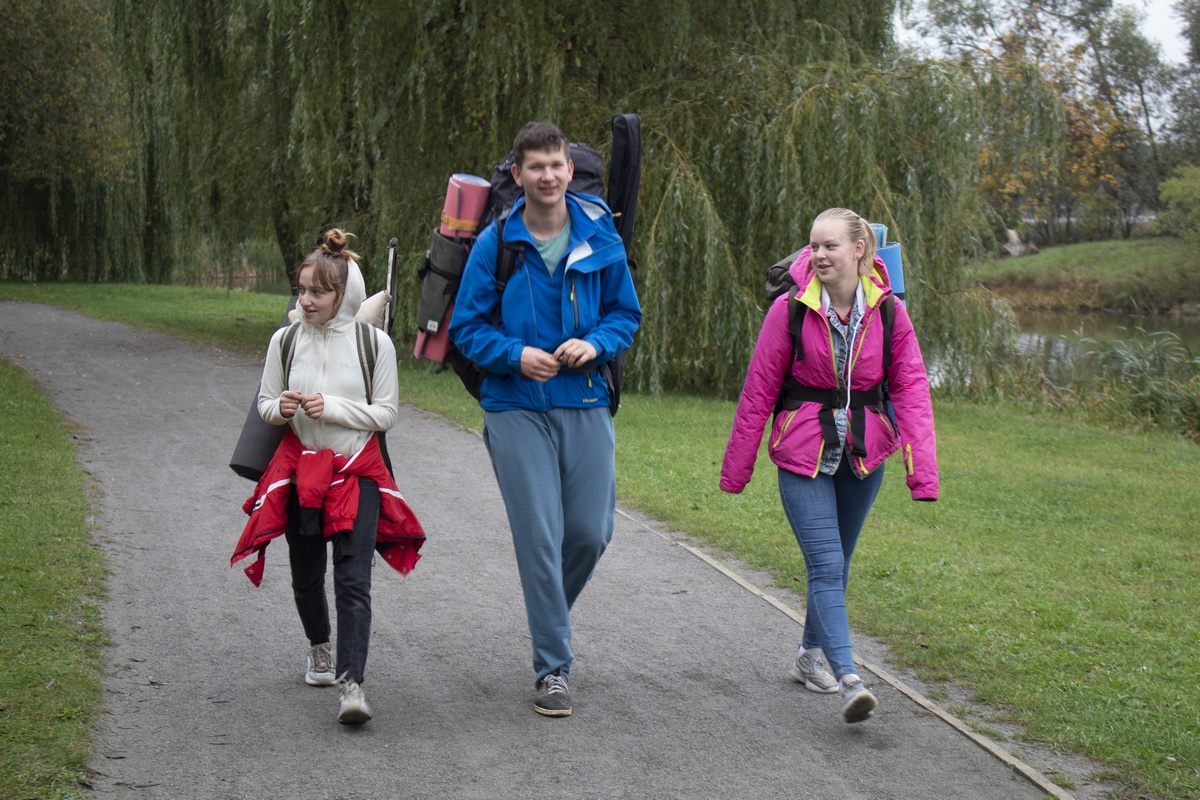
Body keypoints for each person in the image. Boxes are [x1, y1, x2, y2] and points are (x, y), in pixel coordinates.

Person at [448, 122, 641, 717]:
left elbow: (625, 315)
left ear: (568, 168)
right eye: (536, 167)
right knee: (539, 536)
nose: (549, 176)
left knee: (589, 533)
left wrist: (598, 343)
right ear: (518, 175)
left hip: (583, 397)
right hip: (515, 406)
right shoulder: (496, 243)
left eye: (557, 164)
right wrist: (513, 355)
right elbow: (466, 329)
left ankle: (546, 615)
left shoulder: (599, 232)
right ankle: (553, 668)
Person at [720, 208, 938, 723]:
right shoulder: (789, 311)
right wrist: (738, 468)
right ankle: (850, 679)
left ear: (860, 250)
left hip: (865, 455)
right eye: (813, 246)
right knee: (826, 565)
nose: (818, 255)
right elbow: (758, 392)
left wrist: (921, 472)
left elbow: (911, 388)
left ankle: (808, 656)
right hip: (803, 453)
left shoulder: (888, 312)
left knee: (838, 565)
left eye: (831, 246)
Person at [232, 229, 425, 725]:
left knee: (353, 578)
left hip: (356, 471)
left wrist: (333, 407)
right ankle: (320, 647)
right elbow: (265, 405)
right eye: (301, 289)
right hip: (300, 470)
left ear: (343, 295)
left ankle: (352, 683)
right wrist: (284, 407)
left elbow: (385, 414)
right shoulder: (286, 339)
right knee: (304, 576)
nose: (307, 299)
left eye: (318, 291)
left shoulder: (374, 344)